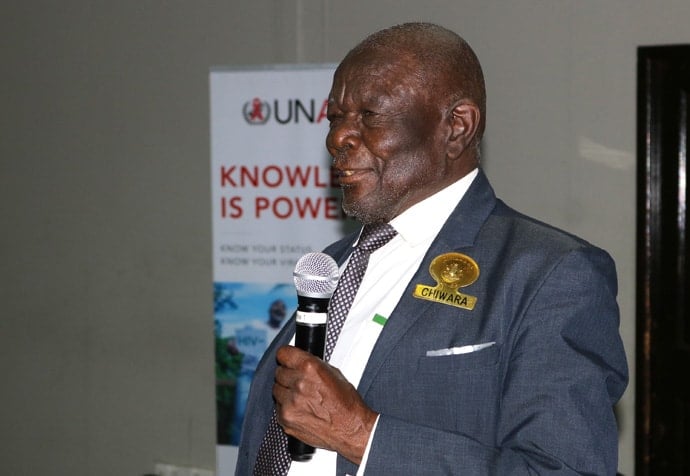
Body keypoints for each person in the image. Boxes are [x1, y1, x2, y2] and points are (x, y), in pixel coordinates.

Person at [236, 22, 628, 475]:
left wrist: (362, 435)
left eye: (369, 115)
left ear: (457, 126)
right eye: (335, 116)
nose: (337, 138)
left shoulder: (549, 274)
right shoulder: (335, 265)